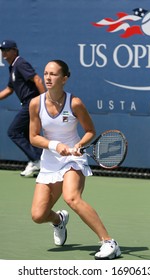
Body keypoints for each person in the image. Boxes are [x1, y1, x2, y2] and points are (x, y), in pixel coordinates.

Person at [29, 59, 121, 260]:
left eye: (53, 74)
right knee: (38, 215)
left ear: (64, 79)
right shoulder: (36, 104)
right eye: (46, 73)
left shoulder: (75, 103)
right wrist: (56, 146)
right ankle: (59, 220)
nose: (48, 77)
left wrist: (78, 146)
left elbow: (90, 131)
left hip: (73, 160)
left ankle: (109, 242)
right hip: (50, 162)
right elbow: (34, 137)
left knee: (72, 198)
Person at [0, 40, 46, 176]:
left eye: (7, 50)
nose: (4, 53)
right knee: (28, 135)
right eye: (2, 50)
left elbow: (37, 80)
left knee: (13, 132)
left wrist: (45, 100)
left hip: (32, 103)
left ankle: (37, 160)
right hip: (27, 104)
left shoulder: (20, 63)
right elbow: (9, 89)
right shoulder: (13, 67)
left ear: (14, 51)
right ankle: (37, 160)